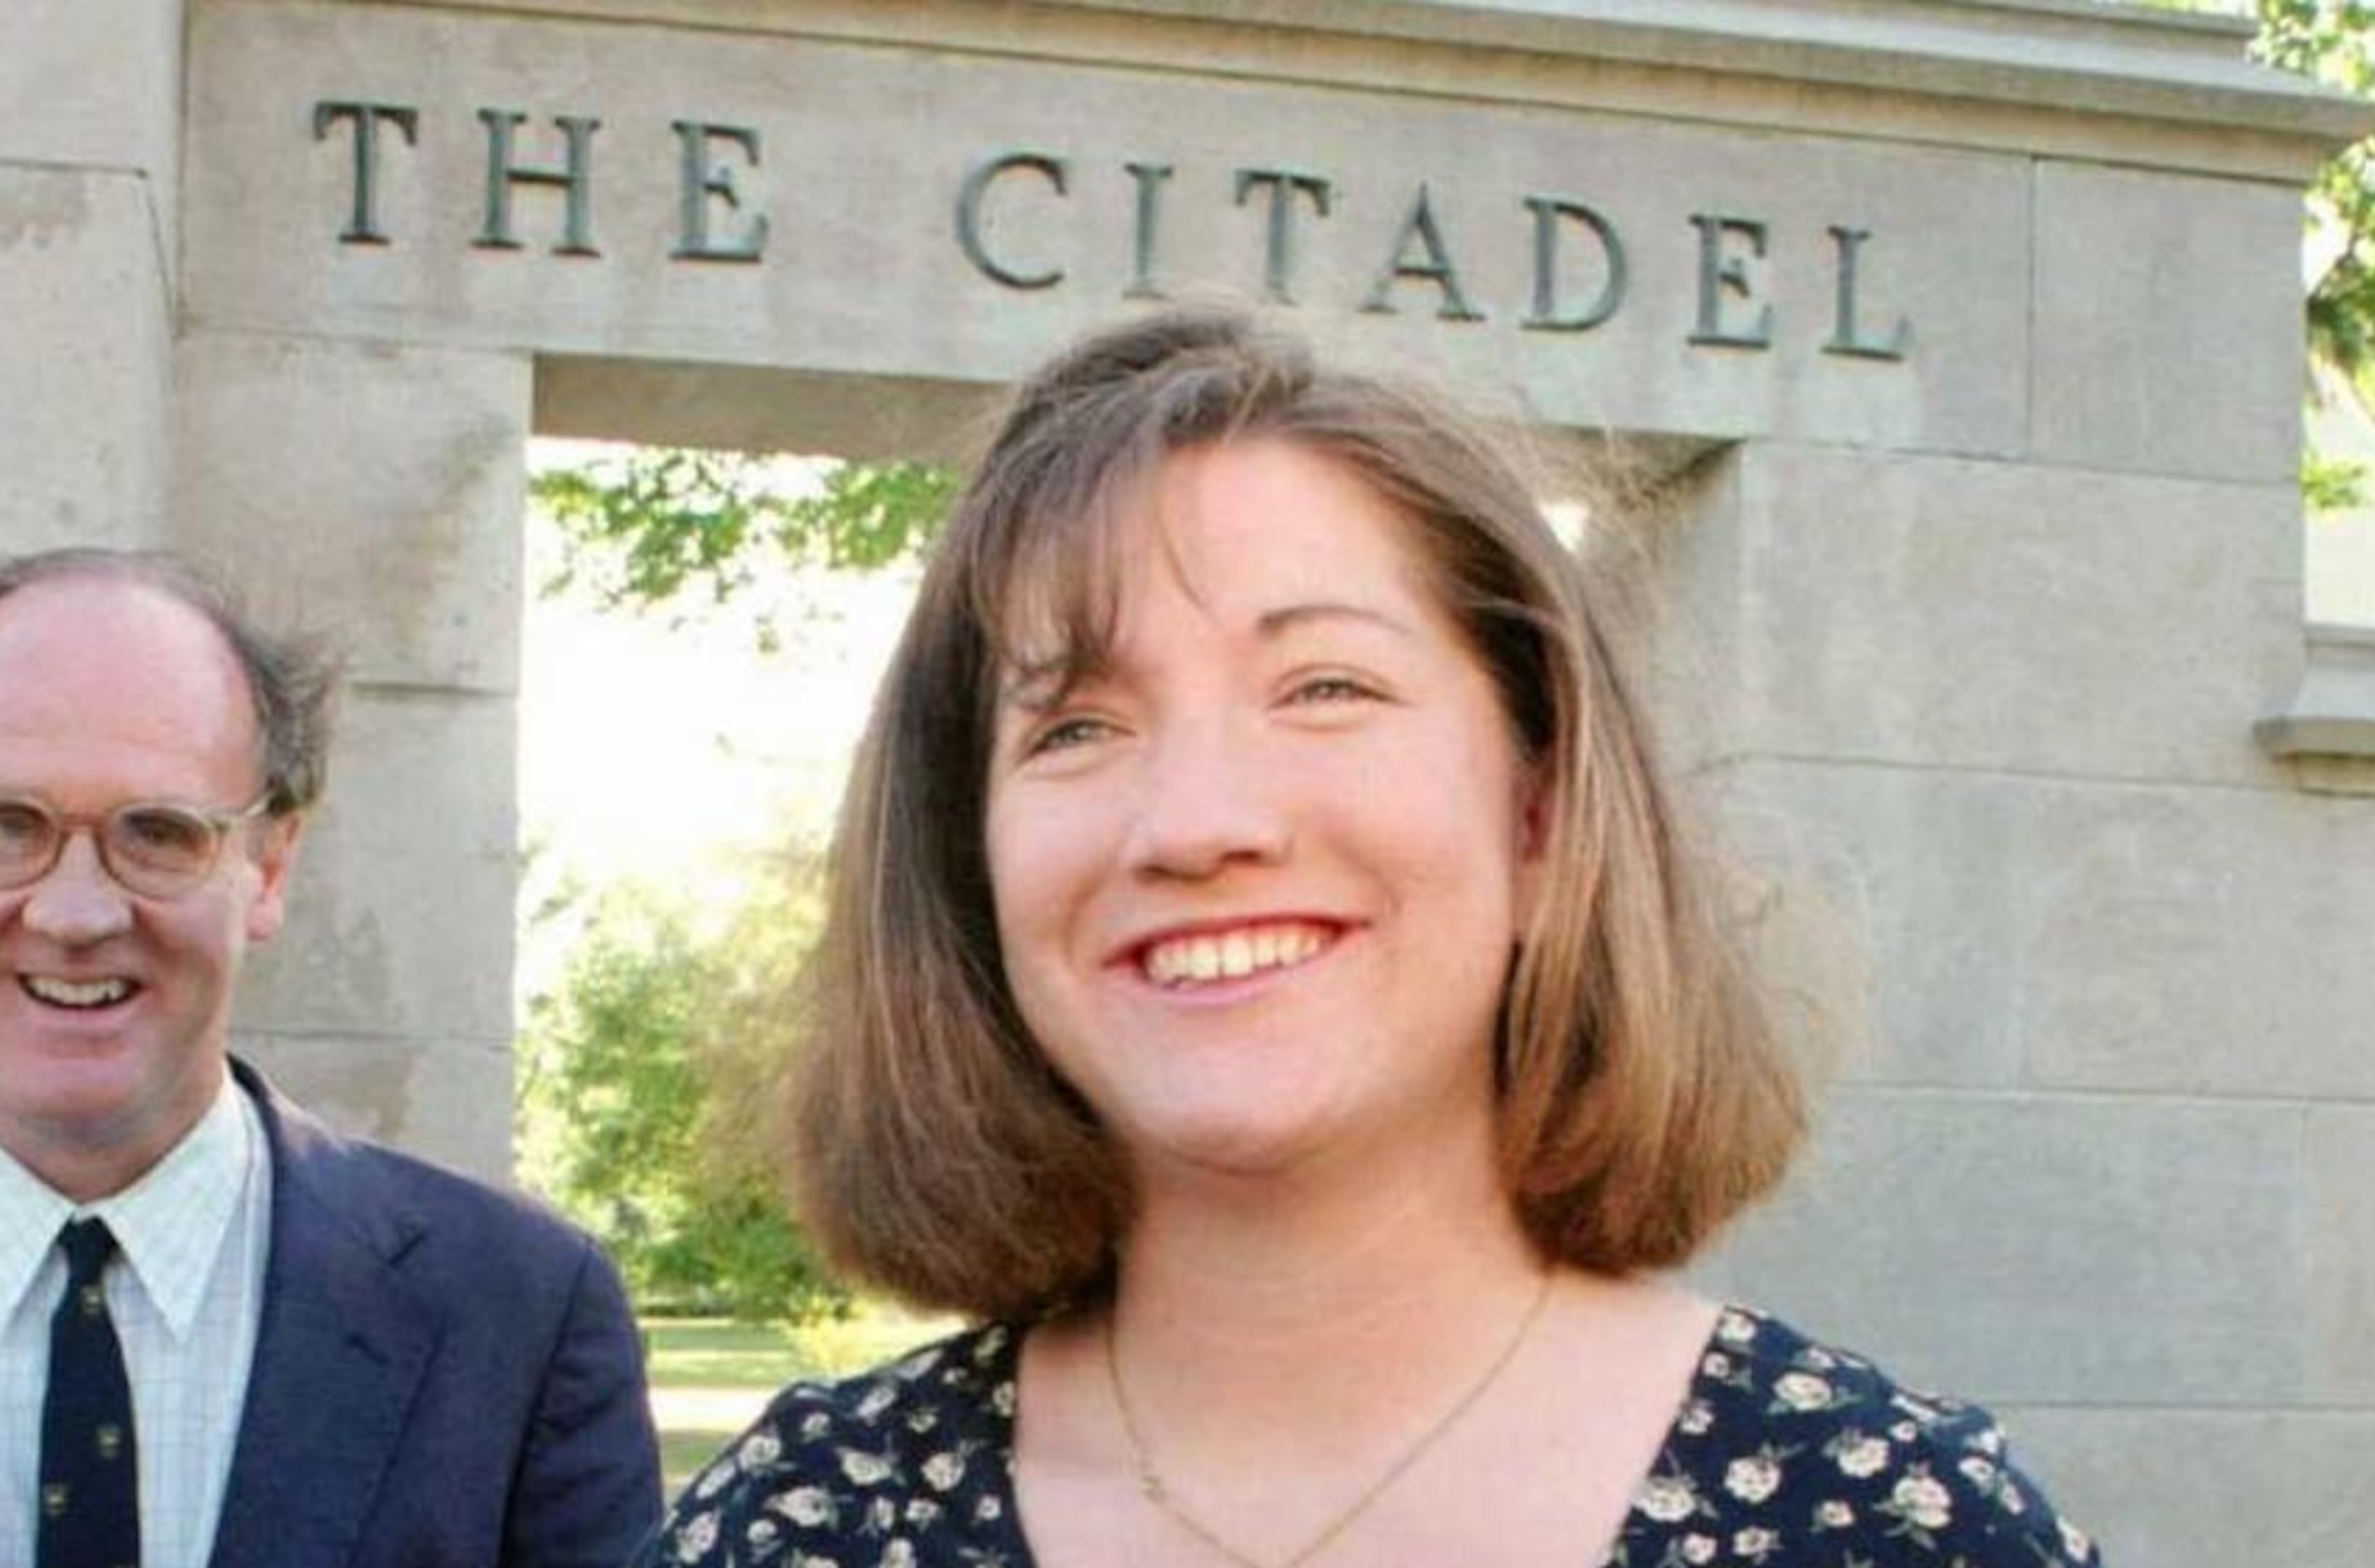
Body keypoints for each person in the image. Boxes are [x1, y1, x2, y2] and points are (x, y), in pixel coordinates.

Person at [638, 308, 2101, 1568]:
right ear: (972, 865)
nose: (1197, 822)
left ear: (1542, 820)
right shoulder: (803, 1525)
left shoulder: (1892, 1530)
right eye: (1077, 723)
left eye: (1326, 686)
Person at [0, 550, 661, 1568]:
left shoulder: (517, 1318)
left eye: (158, 832)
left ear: (269, 866)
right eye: (7, 824)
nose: (75, 912)